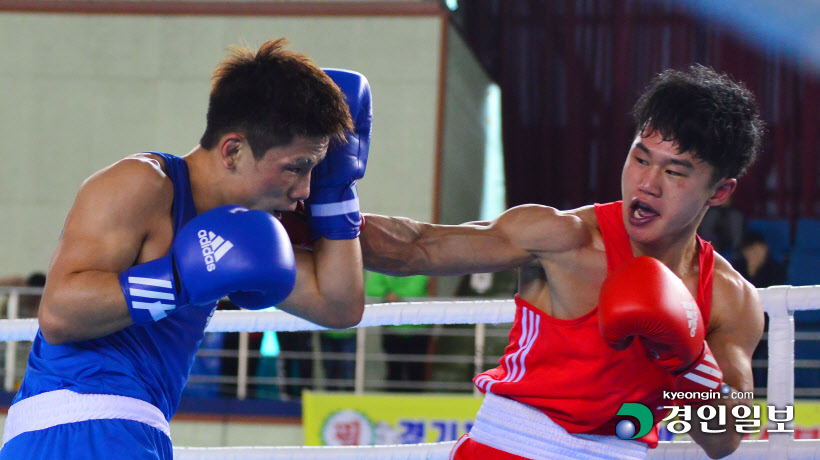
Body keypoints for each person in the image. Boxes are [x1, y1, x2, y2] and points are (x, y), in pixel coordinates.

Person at [359, 65, 764, 459]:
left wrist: (689, 360)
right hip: (512, 447)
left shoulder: (732, 299)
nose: (647, 183)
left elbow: (726, 439)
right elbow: (418, 246)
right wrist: (315, 218)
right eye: (640, 159)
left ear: (720, 191)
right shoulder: (565, 236)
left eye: (675, 171)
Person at [0, 38, 371, 460]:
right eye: (297, 167)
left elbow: (339, 307)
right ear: (233, 150)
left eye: (314, 171)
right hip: (75, 420)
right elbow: (58, 314)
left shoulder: (246, 234)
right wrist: (178, 279)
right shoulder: (142, 183)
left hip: (139, 427)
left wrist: (339, 191)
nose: (305, 190)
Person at [365, 271, 431, 391]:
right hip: (392, 329)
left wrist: (390, 294)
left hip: (417, 330)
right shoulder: (383, 266)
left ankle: (416, 406)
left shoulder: (418, 266)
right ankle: (392, 406)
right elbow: (370, 288)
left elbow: (415, 290)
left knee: (416, 372)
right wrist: (388, 293)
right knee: (394, 370)